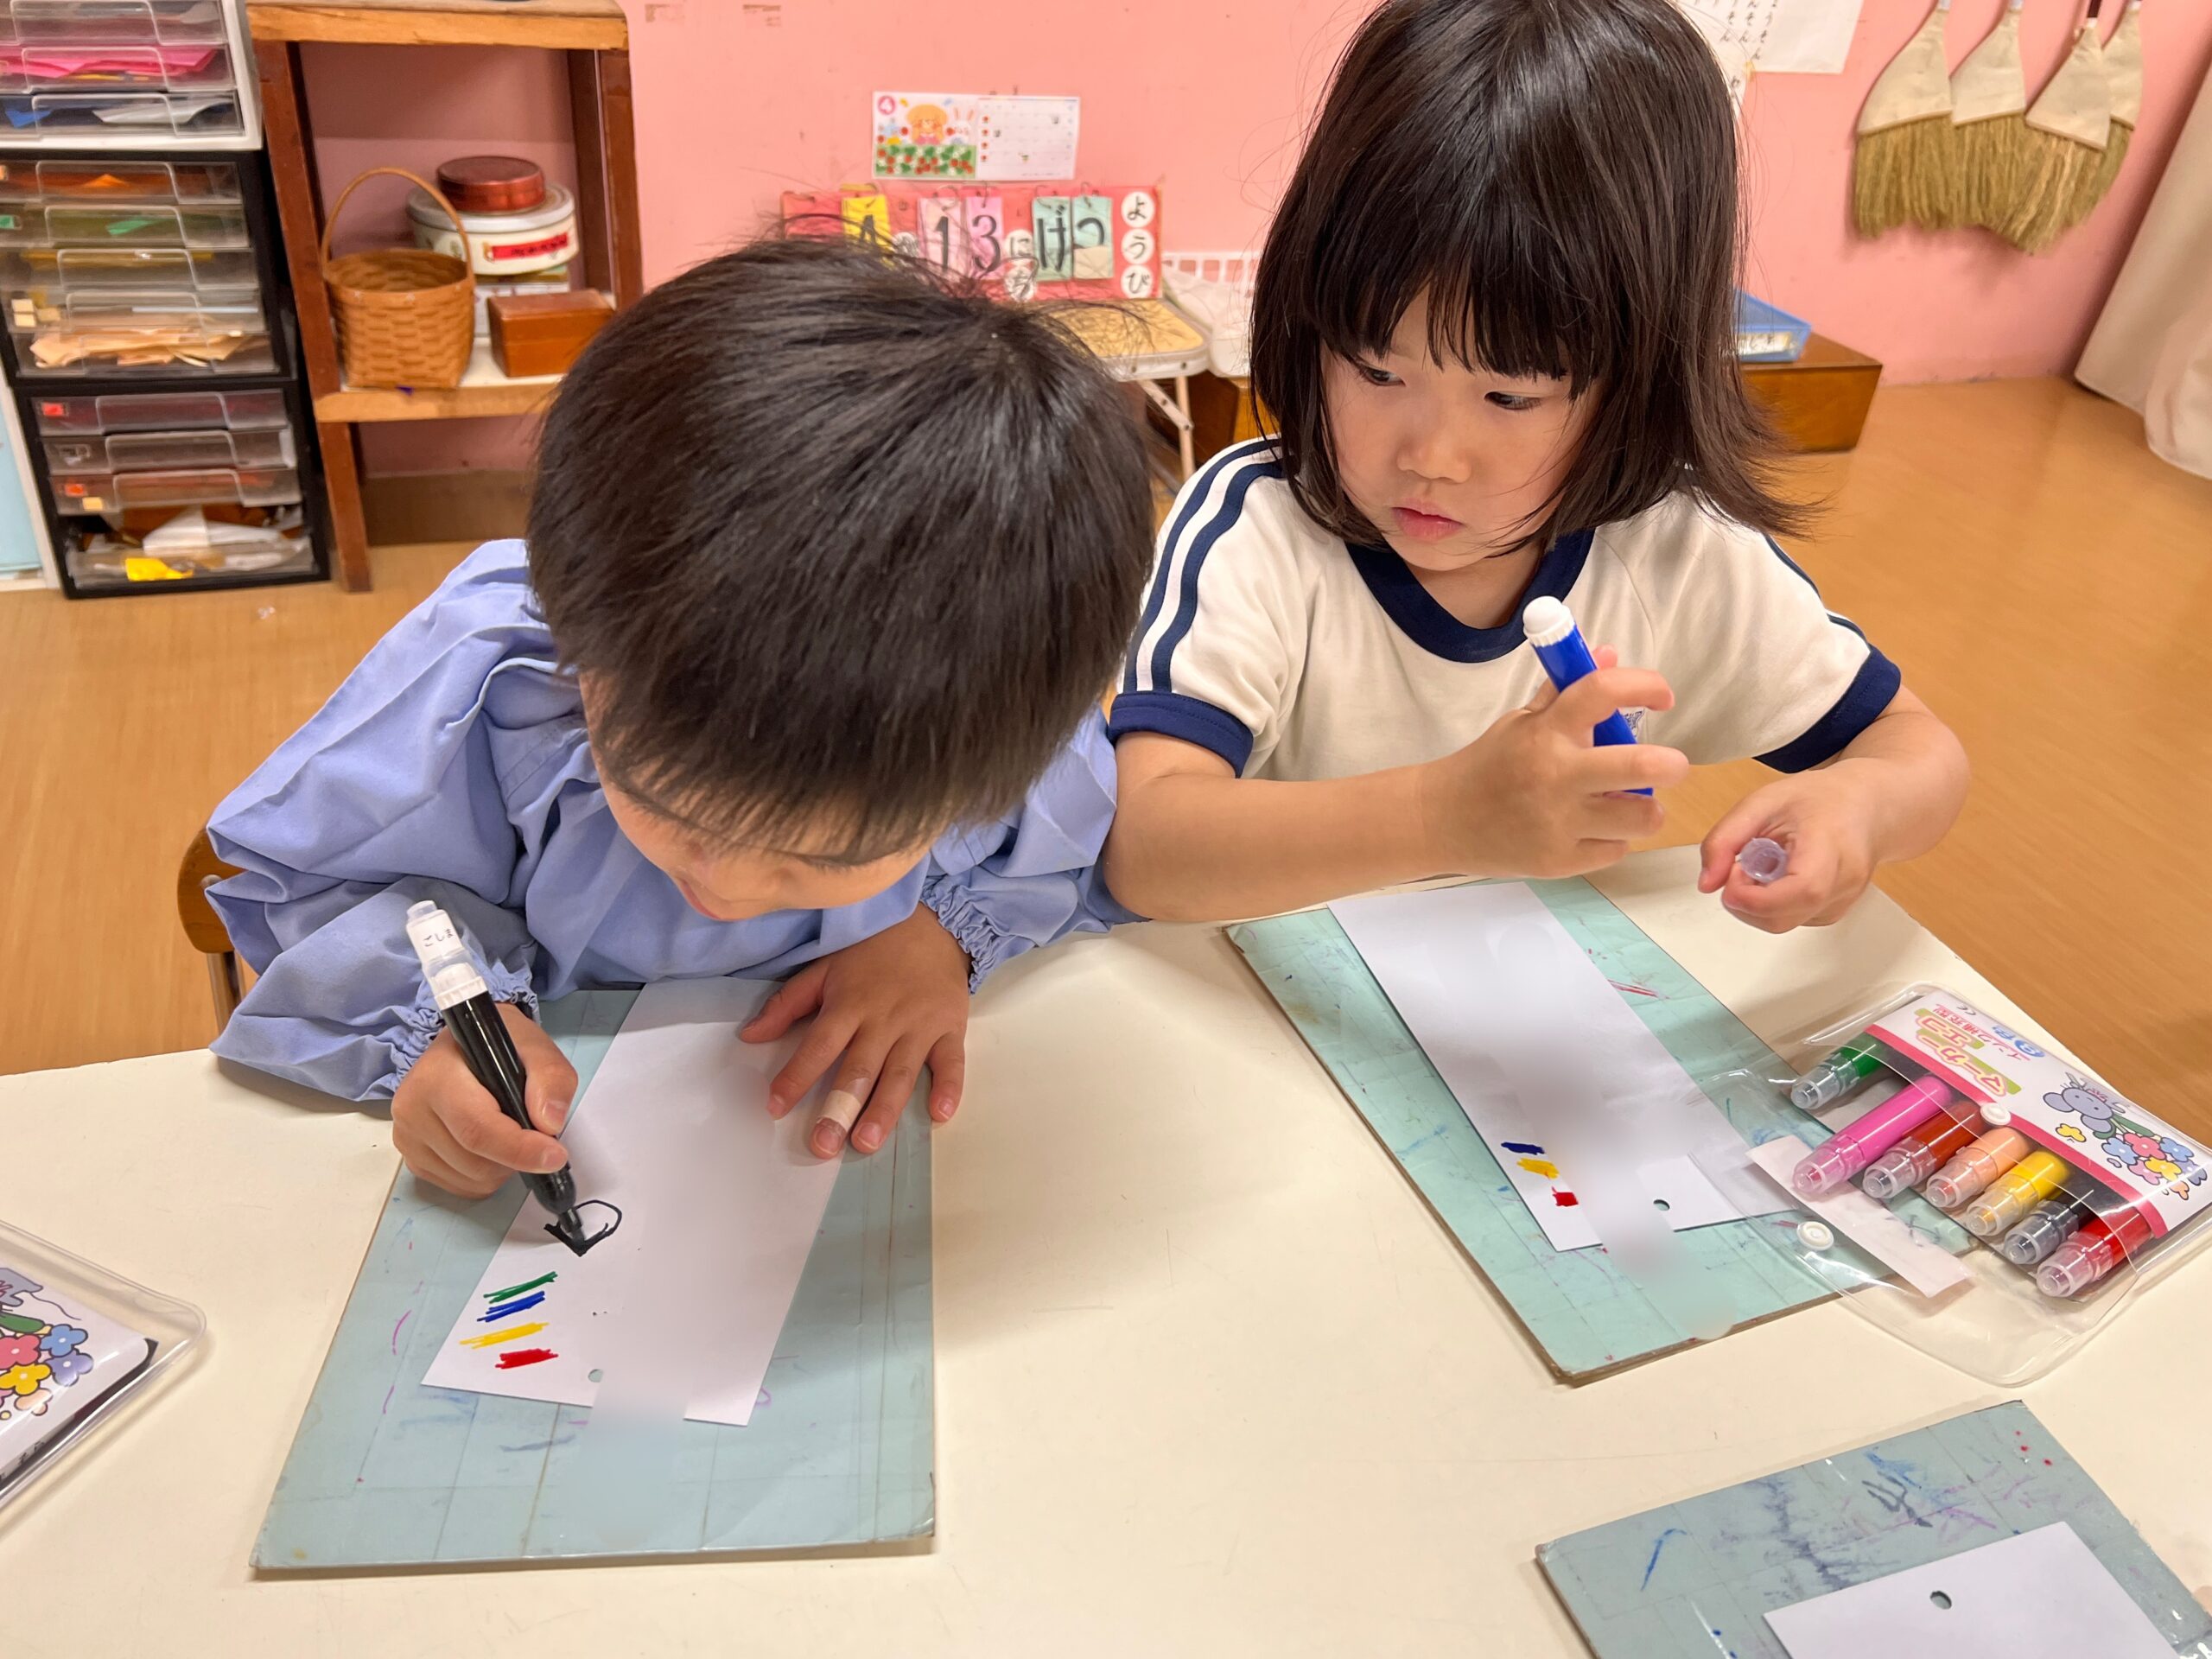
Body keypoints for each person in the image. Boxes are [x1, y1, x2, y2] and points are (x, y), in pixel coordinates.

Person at [208, 237, 1153, 1193]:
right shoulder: (495, 686)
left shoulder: (996, 698)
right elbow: (323, 889)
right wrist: (435, 1031)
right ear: (581, 654)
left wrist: (937, 937)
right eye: (670, 807)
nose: (726, 886)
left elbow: (1059, 846)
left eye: (822, 857)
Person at [1103, 0, 1967, 927]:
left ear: (1639, 380)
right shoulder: (1256, 530)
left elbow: (1916, 748)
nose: (1431, 457)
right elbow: (1144, 849)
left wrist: (1856, 806)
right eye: (1376, 371)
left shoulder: (1675, 550)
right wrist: (1440, 816)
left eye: (1510, 398)